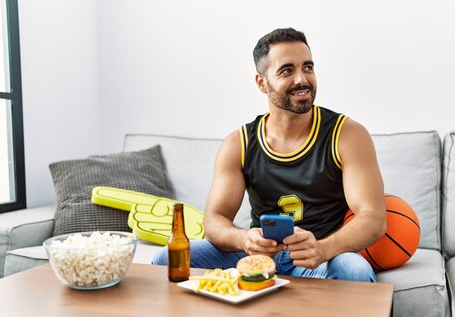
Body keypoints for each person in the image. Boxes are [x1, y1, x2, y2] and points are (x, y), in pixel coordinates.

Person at [153, 28, 386, 282]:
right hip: (257, 256)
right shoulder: (238, 143)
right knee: (168, 259)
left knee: (354, 270)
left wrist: (323, 249)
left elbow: (373, 218)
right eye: (287, 70)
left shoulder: (347, 134)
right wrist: (244, 239)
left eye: (308, 67)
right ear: (262, 83)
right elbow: (214, 220)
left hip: (321, 257)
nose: (302, 79)